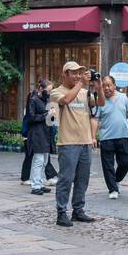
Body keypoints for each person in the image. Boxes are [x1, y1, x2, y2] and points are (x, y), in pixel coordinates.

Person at [49, 61, 100, 227]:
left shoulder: (84, 92)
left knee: (82, 180)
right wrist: (80, 84)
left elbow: (100, 104)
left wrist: (98, 86)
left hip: (85, 141)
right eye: (74, 72)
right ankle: (61, 213)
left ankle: (78, 210)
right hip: (68, 143)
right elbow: (66, 100)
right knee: (66, 179)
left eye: (80, 73)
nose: (78, 75)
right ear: (65, 74)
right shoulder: (56, 92)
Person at [94, 75, 128, 199]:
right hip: (106, 138)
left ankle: (115, 180)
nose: (106, 88)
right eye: (104, 85)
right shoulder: (99, 100)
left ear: (114, 85)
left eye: (109, 85)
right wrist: (93, 136)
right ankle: (112, 189)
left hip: (123, 135)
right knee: (108, 165)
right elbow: (94, 119)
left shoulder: (123, 97)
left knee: (126, 162)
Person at [25, 79, 57, 194]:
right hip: (36, 134)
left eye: (50, 91)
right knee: (38, 160)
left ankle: (39, 182)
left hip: (46, 133)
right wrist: (46, 114)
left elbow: (50, 120)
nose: (49, 93)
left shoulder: (47, 100)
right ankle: (36, 186)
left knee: (44, 160)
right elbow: (31, 118)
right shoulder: (33, 100)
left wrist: (53, 114)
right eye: (48, 91)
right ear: (40, 89)